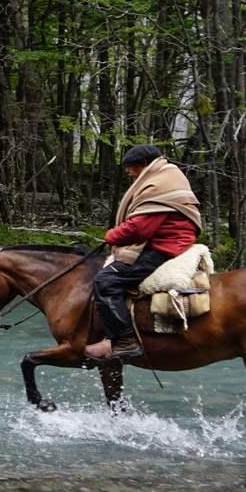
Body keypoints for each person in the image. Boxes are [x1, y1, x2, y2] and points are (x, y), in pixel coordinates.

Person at [84, 144, 202, 363]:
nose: (129, 172)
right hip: (172, 239)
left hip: (165, 244)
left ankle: (125, 341)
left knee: (106, 281)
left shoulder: (160, 184)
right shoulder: (167, 176)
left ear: (145, 165)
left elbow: (140, 229)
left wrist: (111, 236)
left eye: (131, 167)